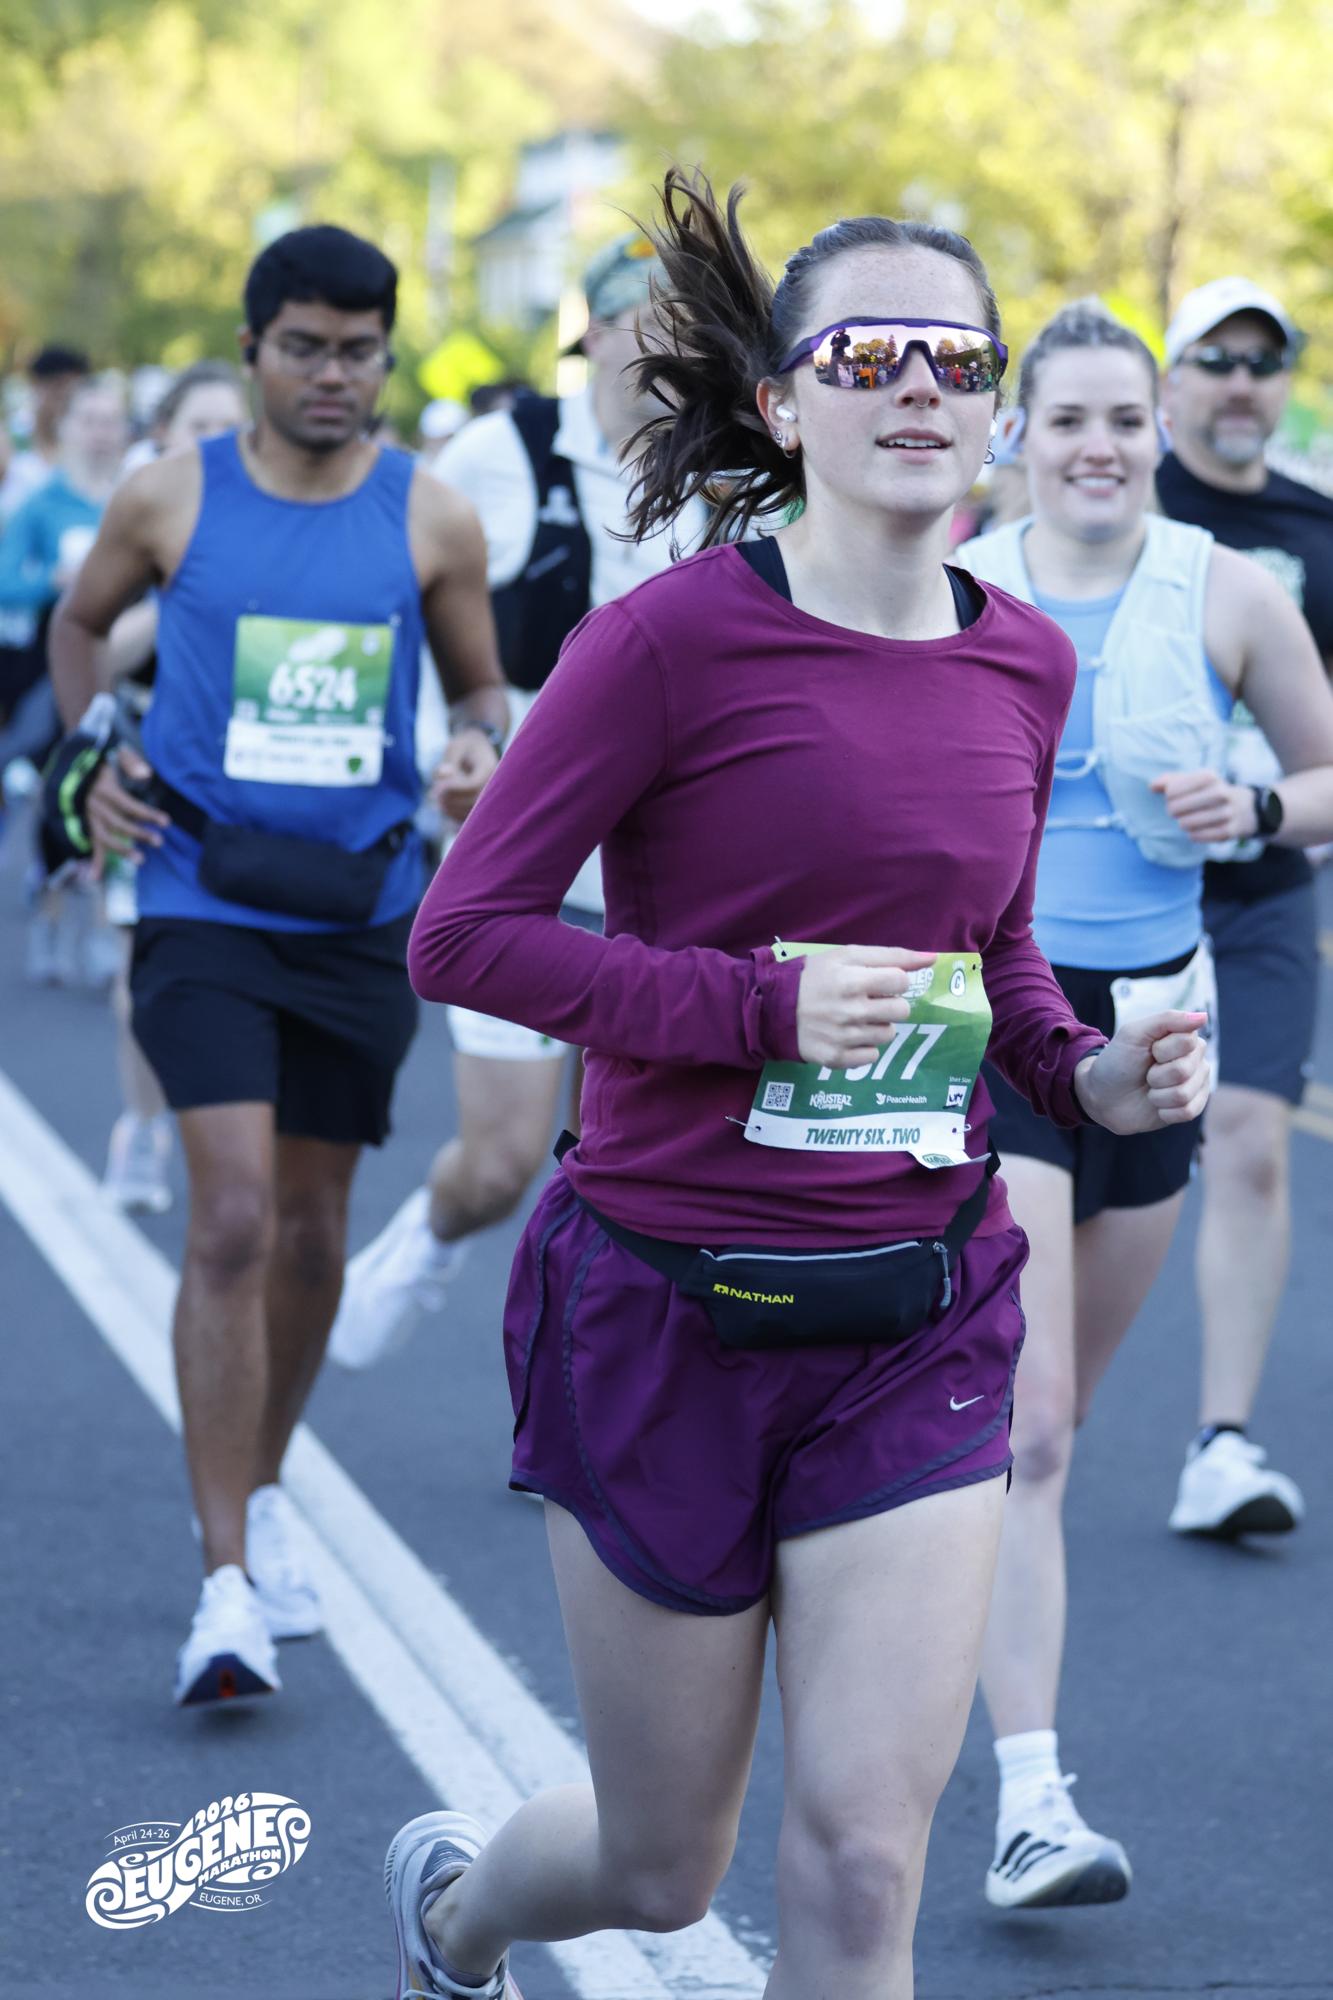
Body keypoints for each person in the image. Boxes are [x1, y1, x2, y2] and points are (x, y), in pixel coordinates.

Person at [378, 170, 1211, 2000]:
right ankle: (458, 1916)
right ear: (779, 402)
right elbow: (465, 938)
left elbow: (992, 954)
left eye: (955, 359)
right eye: (866, 355)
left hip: (917, 1311)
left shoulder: (1022, 661)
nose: (917, 387)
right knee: (661, 1863)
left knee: (857, 1859)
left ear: (993, 408)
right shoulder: (664, 642)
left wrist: (1087, 1078)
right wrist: (756, 1009)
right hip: (668, 1305)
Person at [48, 223, 507, 1708]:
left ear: (385, 358)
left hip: (358, 911)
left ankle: (261, 1475)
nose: (331, 374)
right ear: (253, 349)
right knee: (235, 1215)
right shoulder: (171, 498)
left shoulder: (430, 517)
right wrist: (91, 758)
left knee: (312, 1232)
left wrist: (473, 747)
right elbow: (77, 626)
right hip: (201, 897)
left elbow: (480, 686)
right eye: (304, 346)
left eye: (358, 351)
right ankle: (227, 1580)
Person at [954, 302, 1333, 1910]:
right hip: (1002, 1022)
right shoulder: (963, 587)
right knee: (1032, 1426)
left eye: (1123, 419)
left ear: (1156, 430)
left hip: (1162, 1024)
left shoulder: (1227, 590)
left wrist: (1250, 803)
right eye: (1069, 420)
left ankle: (921, 1597)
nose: (1099, 446)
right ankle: (1029, 1800)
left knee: (1051, 1431)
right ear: (1018, 437)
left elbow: (1326, 779)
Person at [326, 233, 708, 1371]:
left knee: (618, 1165)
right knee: (500, 1163)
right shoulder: (504, 451)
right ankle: (428, 1239)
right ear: (595, 333)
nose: (667, 349)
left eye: (689, 329)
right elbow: (410, 619)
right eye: (644, 322)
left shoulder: (732, 469)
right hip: (527, 867)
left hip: (666, 876)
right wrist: (455, 747)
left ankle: (587, 1384)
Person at [1157, 277, 1333, 1537]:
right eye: (1212, 359)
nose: (1237, 383)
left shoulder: (1317, 530)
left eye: (1259, 363)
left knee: (1251, 1143)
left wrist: (1272, 808)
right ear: (1170, 379)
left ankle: (1221, 1440)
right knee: (1078, 1164)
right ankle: (994, 1409)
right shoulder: (1118, 496)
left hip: (1263, 882)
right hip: (1110, 890)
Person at [100, 361, 250, 1214]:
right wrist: (176, 603)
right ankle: (142, 1127)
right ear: (164, 433)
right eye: (200, 426)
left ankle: (228, 1143)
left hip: (250, 782)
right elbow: (91, 643)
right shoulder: (145, 514)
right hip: (148, 774)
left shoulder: (280, 517)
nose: (217, 443)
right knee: (144, 961)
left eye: (232, 425)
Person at [0, 375, 129, 984]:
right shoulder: (42, 502)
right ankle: (50, 916)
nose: (101, 433)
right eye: (90, 420)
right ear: (69, 428)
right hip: (54, 675)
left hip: (124, 669)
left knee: (117, 784)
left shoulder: (133, 499)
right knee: (60, 790)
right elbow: (5, 580)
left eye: (110, 421)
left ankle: (101, 922)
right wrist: (51, 581)